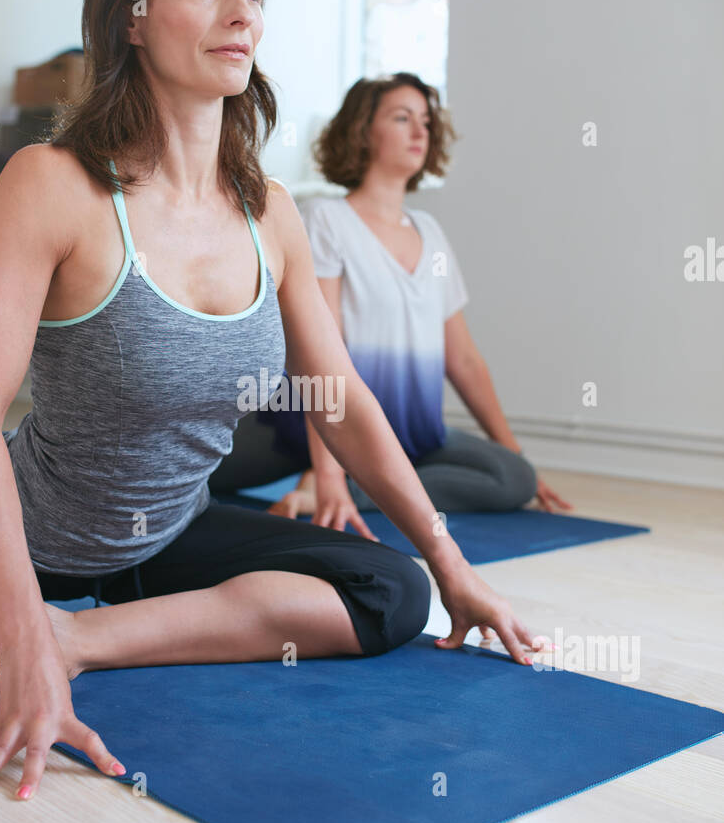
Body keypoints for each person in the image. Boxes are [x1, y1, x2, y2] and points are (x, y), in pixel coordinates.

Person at [0, 0, 537, 804]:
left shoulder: (274, 214)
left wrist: (453, 564)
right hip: (16, 535)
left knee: (394, 595)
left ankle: (82, 636)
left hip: (165, 533)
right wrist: (11, 641)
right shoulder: (54, 185)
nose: (240, 12)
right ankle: (42, 623)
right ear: (132, 18)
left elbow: (337, 400)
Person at [209, 73, 571, 536]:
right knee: (195, 475)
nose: (421, 131)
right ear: (363, 131)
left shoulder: (431, 234)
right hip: (310, 430)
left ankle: (360, 490)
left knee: (512, 478)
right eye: (402, 118)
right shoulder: (327, 219)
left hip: (411, 433)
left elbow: (462, 359)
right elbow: (321, 352)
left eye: (425, 120)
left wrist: (515, 455)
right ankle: (334, 478)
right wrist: (330, 469)